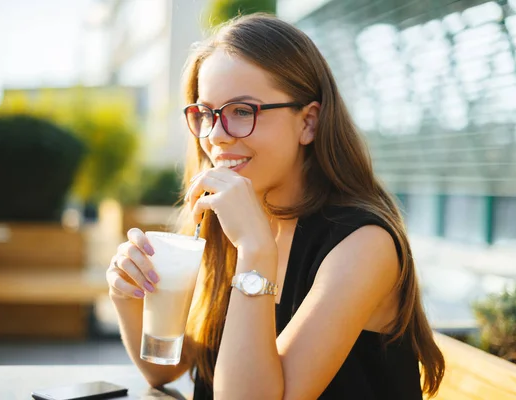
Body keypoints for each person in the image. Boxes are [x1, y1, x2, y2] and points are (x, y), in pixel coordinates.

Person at [106, 13, 445, 400]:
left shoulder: (363, 245)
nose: (216, 135)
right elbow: (162, 369)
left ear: (309, 123)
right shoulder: (226, 224)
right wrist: (127, 296)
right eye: (206, 114)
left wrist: (255, 252)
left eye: (242, 111)